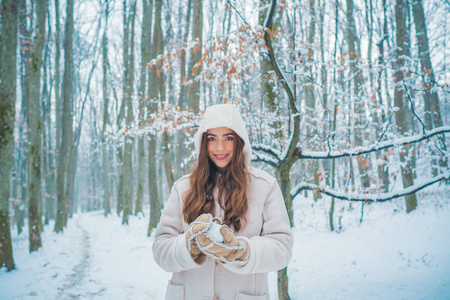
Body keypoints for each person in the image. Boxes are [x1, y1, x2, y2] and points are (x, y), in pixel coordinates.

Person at [152, 103, 293, 300]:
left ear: (240, 141)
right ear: (203, 143)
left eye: (228, 138)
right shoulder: (183, 188)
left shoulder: (265, 186)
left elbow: (282, 248)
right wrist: (188, 246)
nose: (220, 147)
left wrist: (241, 252)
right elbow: (160, 248)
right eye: (212, 139)